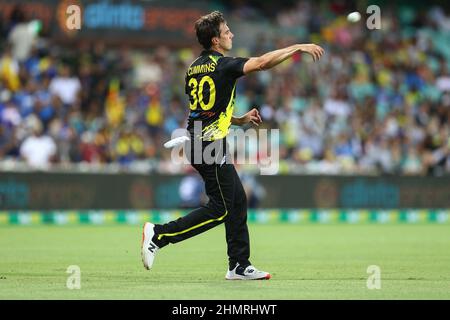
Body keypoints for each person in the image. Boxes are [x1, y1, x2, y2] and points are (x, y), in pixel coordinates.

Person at [141, 11, 324, 280]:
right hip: (207, 145)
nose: (232, 35)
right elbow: (262, 63)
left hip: (199, 140)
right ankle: (159, 234)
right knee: (221, 207)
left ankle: (239, 265)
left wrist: (239, 119)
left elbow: (205, 110)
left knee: (237, 200)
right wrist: (297, 47)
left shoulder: (193, 68)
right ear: (215, 40)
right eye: (227, 32)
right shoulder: (224, 65)